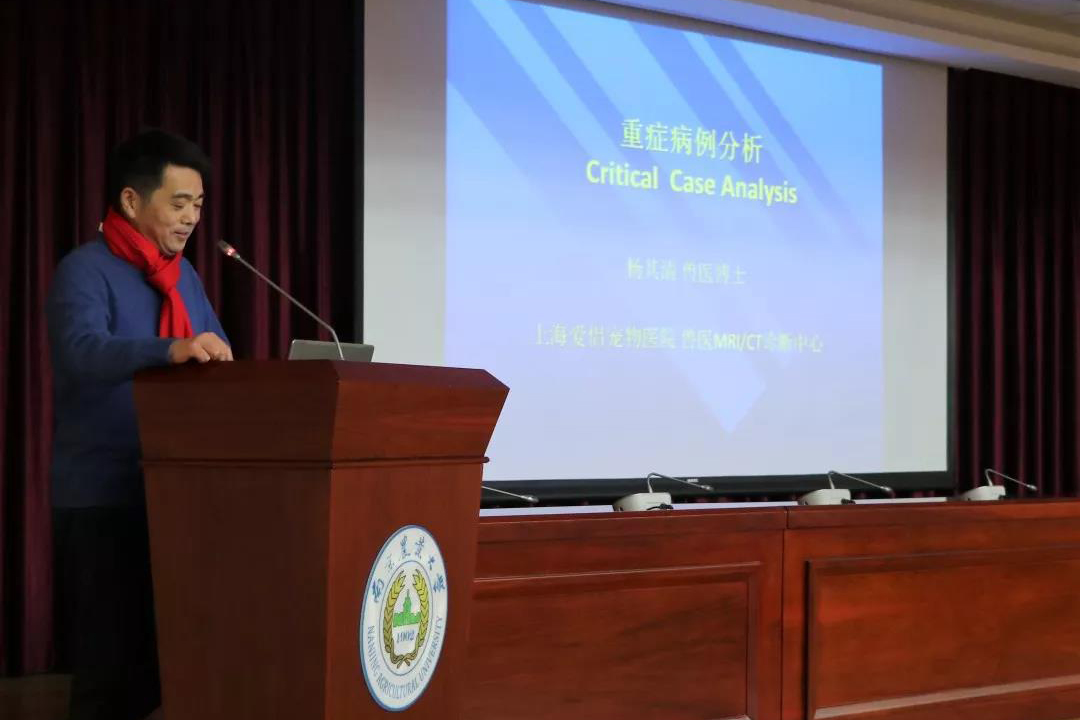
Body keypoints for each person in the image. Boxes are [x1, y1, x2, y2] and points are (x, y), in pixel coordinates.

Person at [46, 129, 233, 720]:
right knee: (107, 673)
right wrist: (169, 349)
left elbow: (217, 348)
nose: (192, 218)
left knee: (164, 667)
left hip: (175, 495)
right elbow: (81, 351)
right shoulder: (85, 270)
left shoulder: (184, 277)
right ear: (132, 201)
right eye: (179, 203)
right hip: (103, 498)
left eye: (198, 205)